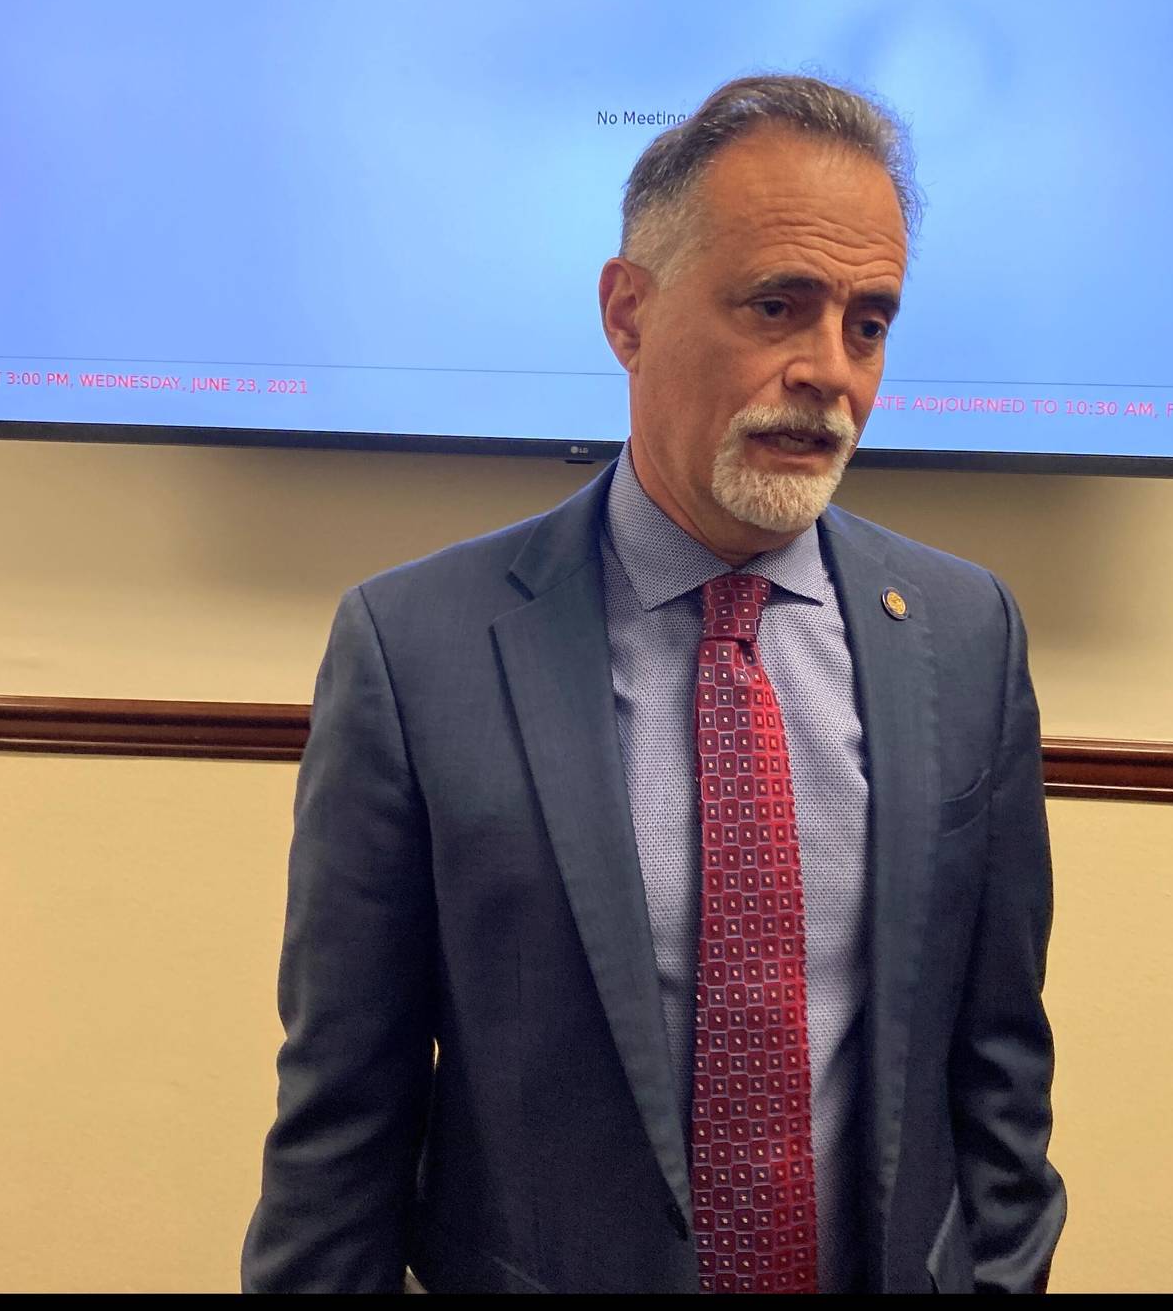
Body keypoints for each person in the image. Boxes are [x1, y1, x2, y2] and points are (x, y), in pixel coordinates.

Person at [241, 73, 1064, 1295]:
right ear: (627, 312)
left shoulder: (962, 633)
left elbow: (997, 1070)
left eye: (868, 323)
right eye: (777, 305)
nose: (828, 371)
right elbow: (341, 1123)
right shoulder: (417, 648)